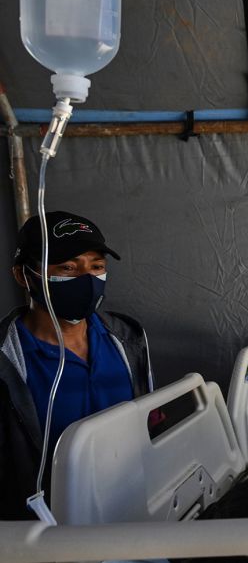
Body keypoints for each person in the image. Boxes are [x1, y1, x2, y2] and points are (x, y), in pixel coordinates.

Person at [0, 210, 154, 520]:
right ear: (23, 275)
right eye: (68, 268)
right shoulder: (8, 359)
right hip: (48, 526)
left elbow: (150, 420)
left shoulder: (127, 338)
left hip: (129, 509)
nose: (87, 279)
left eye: (97, 266)